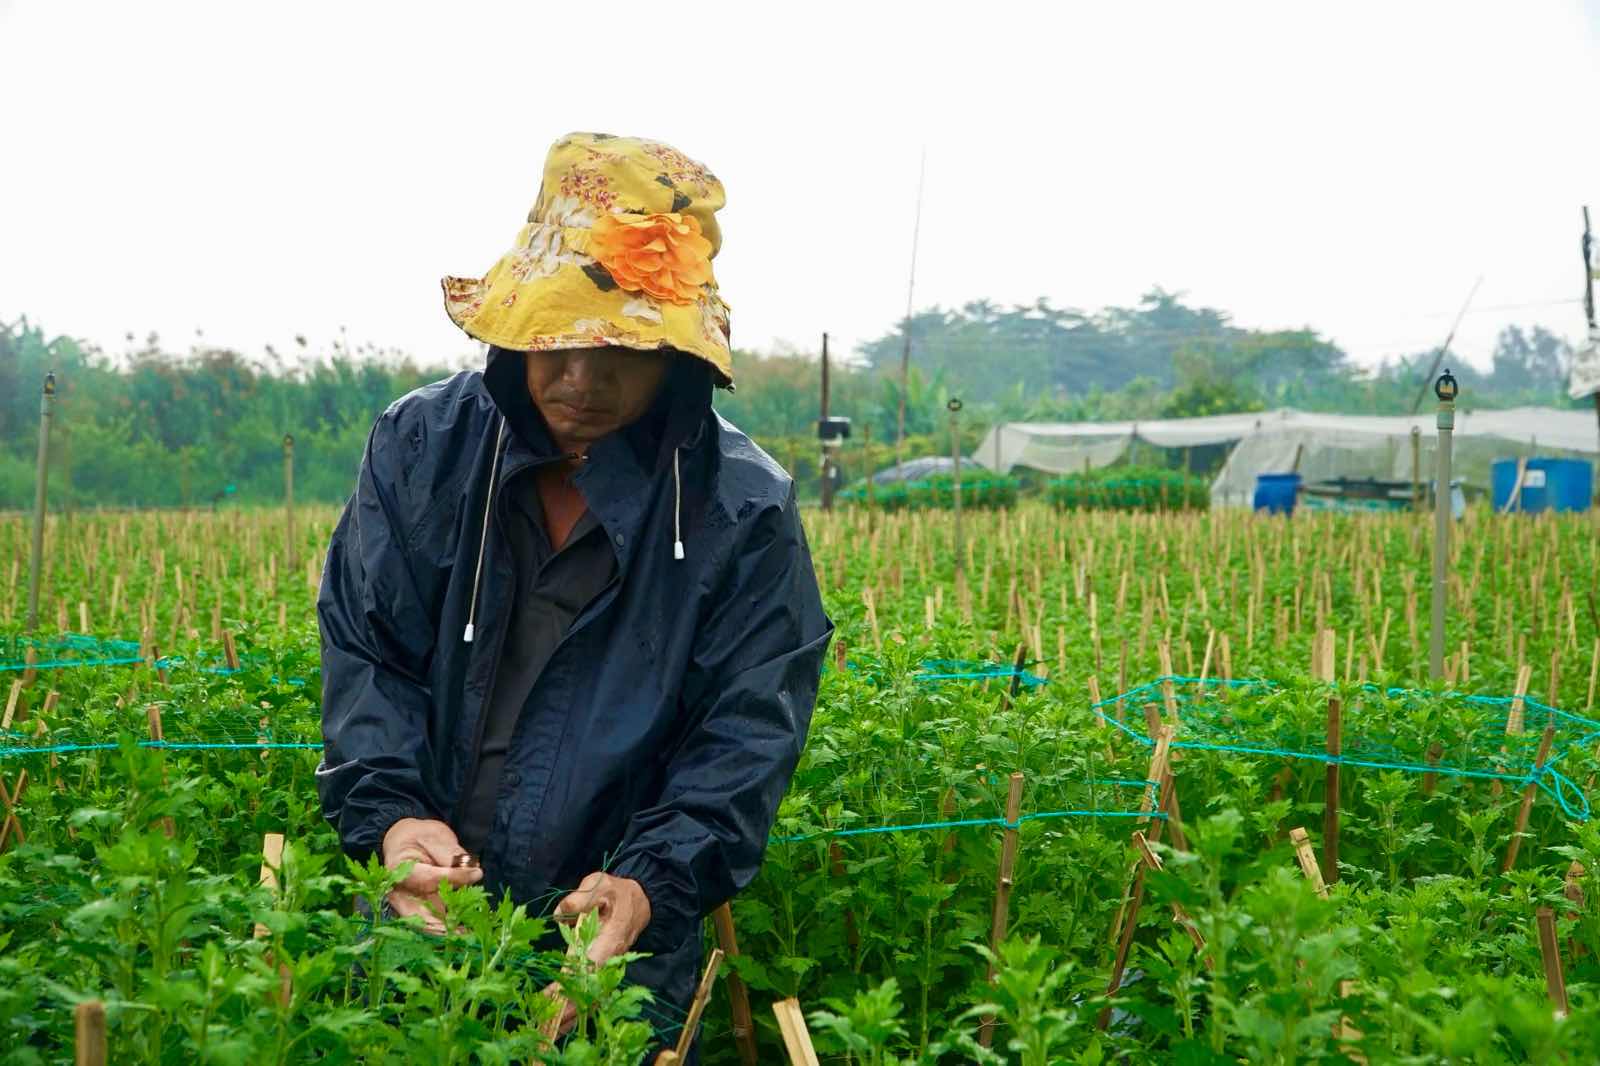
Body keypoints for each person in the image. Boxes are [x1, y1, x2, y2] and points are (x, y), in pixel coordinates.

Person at [315, 132, 832, 1054]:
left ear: (677, 355)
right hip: (419, 918)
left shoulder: (742, 509)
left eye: (622, 350)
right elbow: (369, 653)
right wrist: (392, 818)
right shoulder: (423, 449)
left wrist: (647, 882)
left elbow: (743, 735)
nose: (582, 380)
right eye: (559, 340)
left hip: (613, 949)